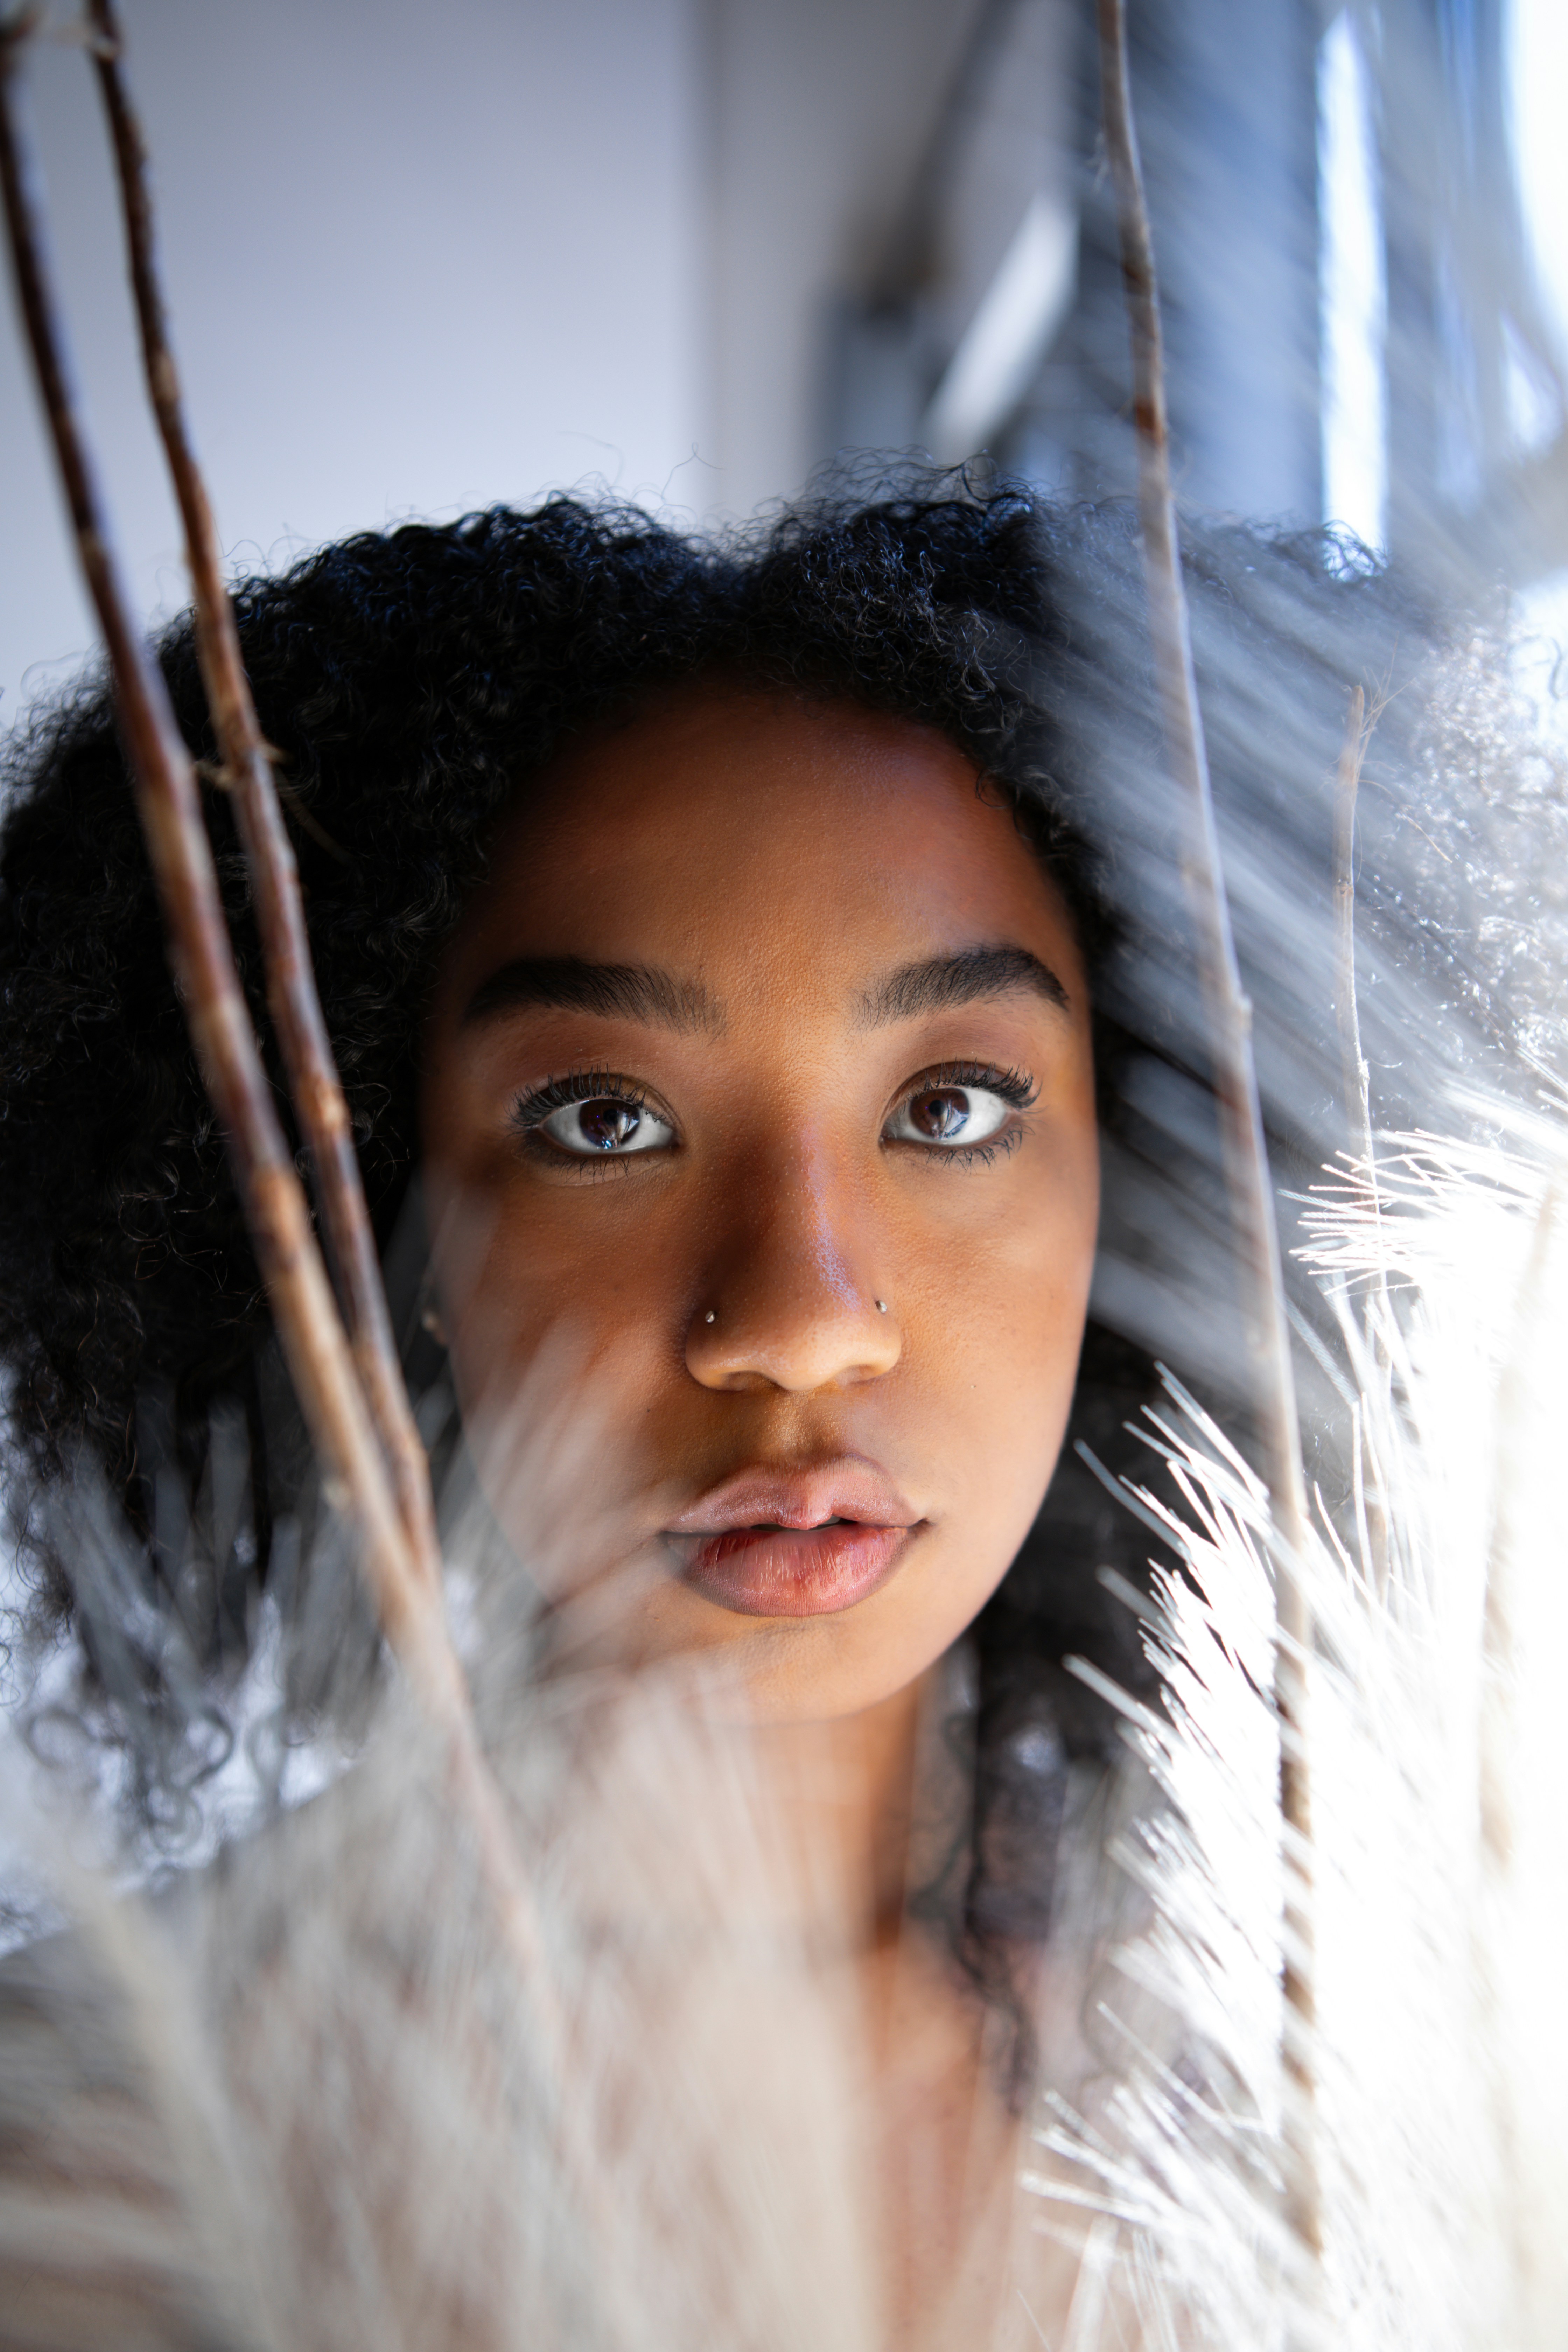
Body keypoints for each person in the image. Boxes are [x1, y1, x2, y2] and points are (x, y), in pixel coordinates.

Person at [0, 471, 1529, 2345]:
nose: (799, 1326)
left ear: (1146, 1170)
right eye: (604, 1123)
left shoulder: (1384, 2099)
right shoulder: (86, 2172)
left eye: (951, 1109)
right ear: (383, 1209)